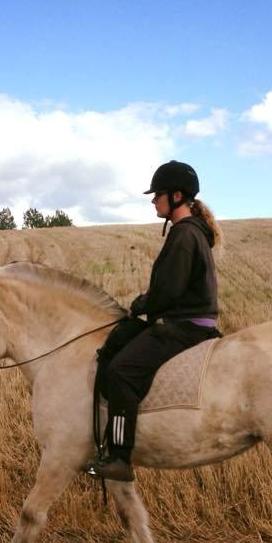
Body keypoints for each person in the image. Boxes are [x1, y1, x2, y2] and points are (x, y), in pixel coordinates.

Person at [87, 160, 223, 482]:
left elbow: (169, 292)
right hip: (188, 322)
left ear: (176, 196)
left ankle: (120, 457)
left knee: (121, 370)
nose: (153, 200)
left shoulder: (184, 234)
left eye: (157, 194)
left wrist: (142, 303)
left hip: (183, 328)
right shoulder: (191, 232)